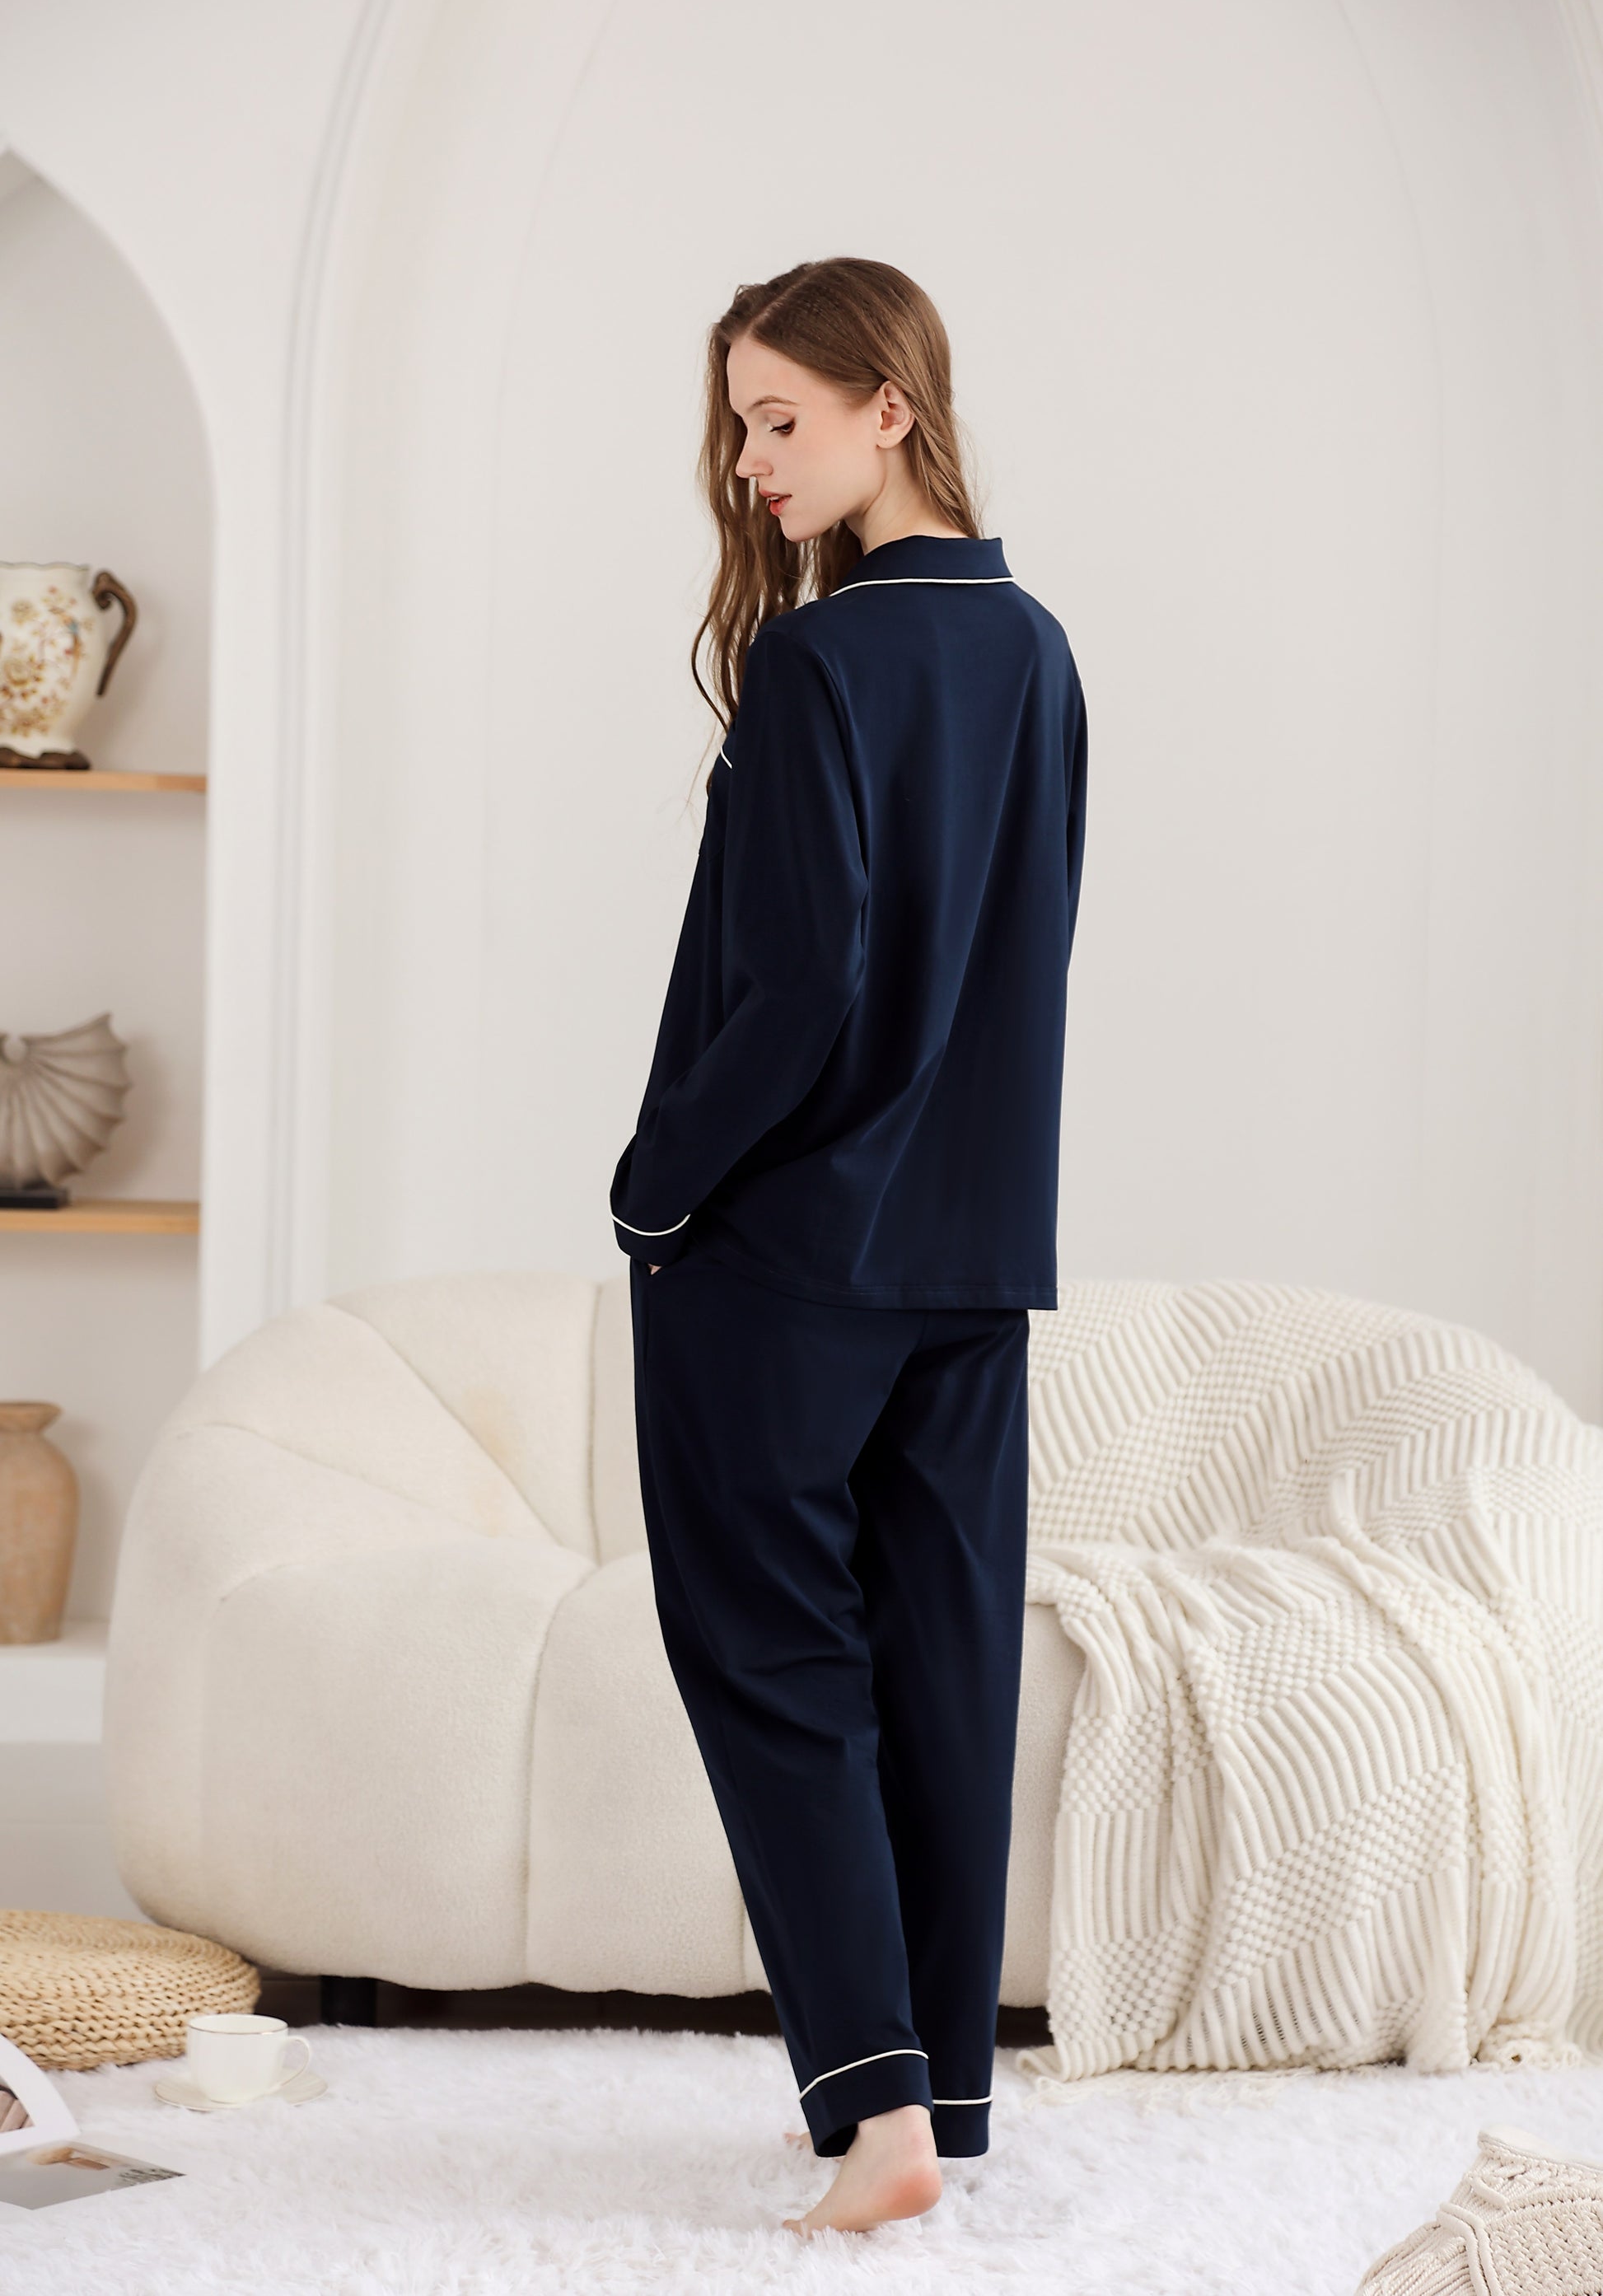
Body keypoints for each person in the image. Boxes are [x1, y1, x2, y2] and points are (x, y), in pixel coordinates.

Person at [608, 255, 1089, 2237]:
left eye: (779, 418)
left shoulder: (822, 662)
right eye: (739, 424)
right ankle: (935, 2101)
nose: (749, 462)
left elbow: (801, 985)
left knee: (773, 1652)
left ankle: (874, 2110)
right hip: (973, 1252)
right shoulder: (1038, 651)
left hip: (787, 1246)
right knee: (939, 1661)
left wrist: (656, 1182)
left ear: (891, 406)